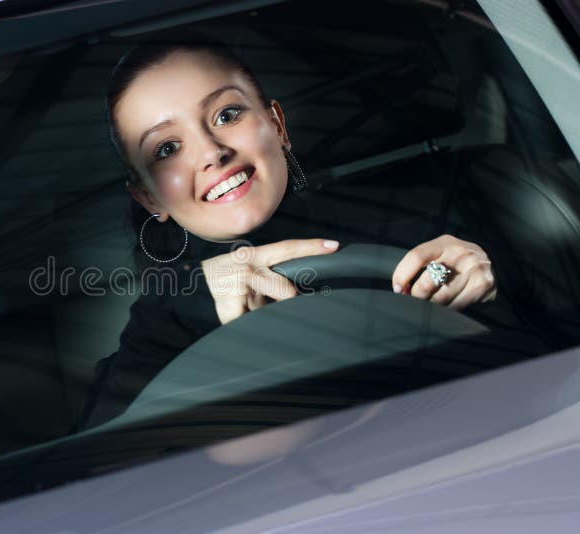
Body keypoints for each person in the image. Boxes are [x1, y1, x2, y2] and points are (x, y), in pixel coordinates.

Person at [79, 37, 500, 429]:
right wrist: (194, 300)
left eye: (226, 115)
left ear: (277, 125)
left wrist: (478, 282)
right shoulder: (160, 327)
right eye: (167, 149)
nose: (212, 152)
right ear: (149, 198)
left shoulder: (422, 225)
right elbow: (93, 477)